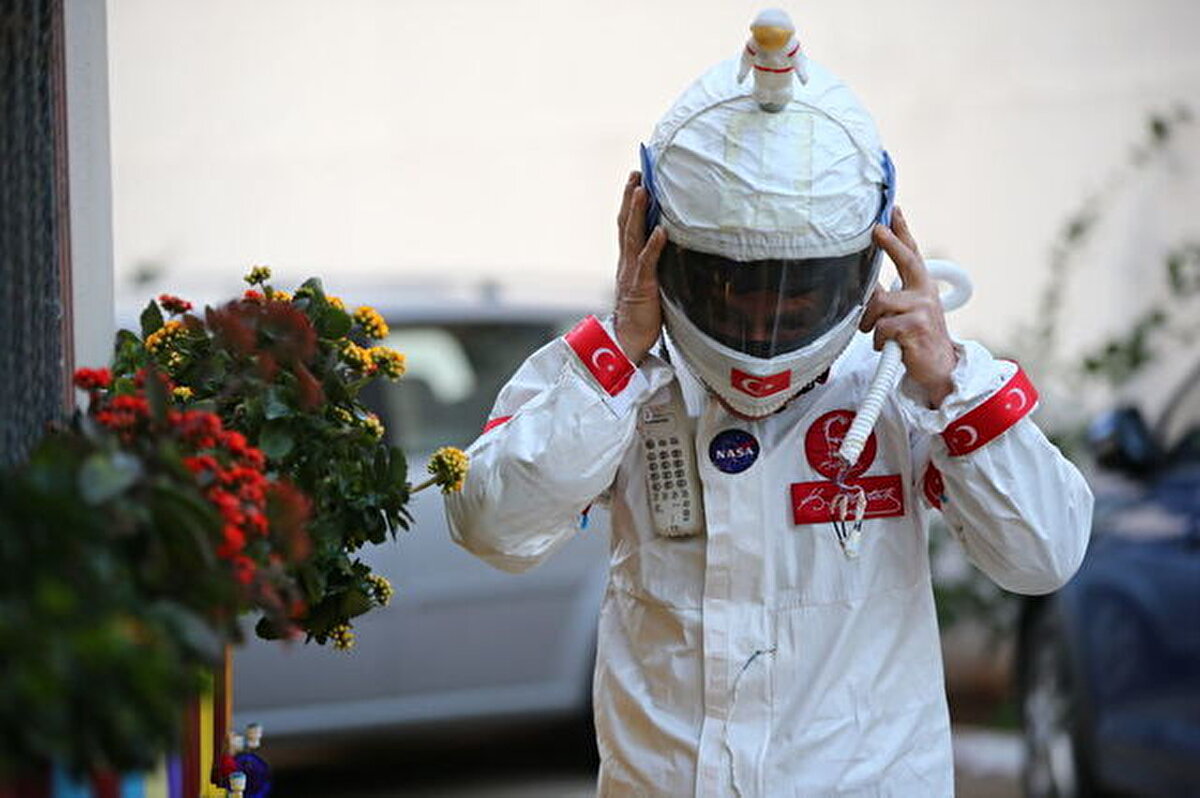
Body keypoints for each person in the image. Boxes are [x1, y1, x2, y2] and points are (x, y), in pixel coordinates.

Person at [445, 12, 1092, 796]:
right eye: (731, 291)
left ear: (875, 252)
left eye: (796, 297)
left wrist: (949, 378)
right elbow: (490, 525)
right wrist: (620, 350)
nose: (762, 322)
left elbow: (1044, 555)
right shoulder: (614, 380)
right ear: (649, 240)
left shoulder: (908, 384)